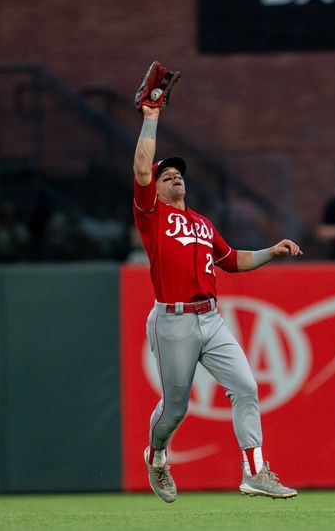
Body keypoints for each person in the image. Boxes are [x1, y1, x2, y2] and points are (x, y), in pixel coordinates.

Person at [133, 103, 301, 501]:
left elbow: (232, 261)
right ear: (154, 188)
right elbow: (142, 168)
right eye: (166, 176)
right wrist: (151, 116)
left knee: (246, 386)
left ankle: (255, 471)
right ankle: (157, 456)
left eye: (178, 175)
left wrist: (269, 251)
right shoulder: (151, 216)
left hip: (210, 319)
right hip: (172, 321)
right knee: (175, 410)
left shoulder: (203, 223)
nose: (174, 178)